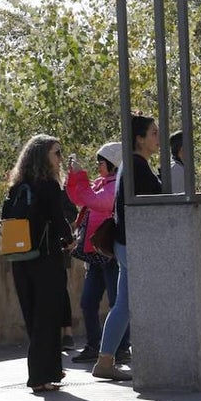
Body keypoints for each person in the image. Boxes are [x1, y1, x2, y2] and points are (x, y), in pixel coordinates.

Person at [92, 114, 162, 381]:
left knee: (123, 304)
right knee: (127, 305)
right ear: (139, 138)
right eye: (153, 133)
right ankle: (106, 360)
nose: (157, 138)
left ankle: (105, 360)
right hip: (135, 245)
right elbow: (157, 201)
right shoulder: (137, 166)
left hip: (125, 243)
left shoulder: (129, 166)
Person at [2, 135, 74, 392]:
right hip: (45, 259)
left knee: (33, 316)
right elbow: (58, 220)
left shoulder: (17, 186)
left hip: (20, 259)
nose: (60, 158)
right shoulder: (48, 186)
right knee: (49, 315)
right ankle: (40, 377)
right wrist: (69, 239)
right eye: (56, 153)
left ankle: (49, 371)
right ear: (43, 156)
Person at [65, 141, 130, 365]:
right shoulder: (102, 183)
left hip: (110, 253)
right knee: (88, 301)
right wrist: (74, 175)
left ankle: (121, 347)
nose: (98, 167)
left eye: (101, 163)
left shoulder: (115, 186)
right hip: (94, 254)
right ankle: (95, 344)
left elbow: (95, 201)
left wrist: (81, 177)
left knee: (117, 302)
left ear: (113, 164)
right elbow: (78, 197)